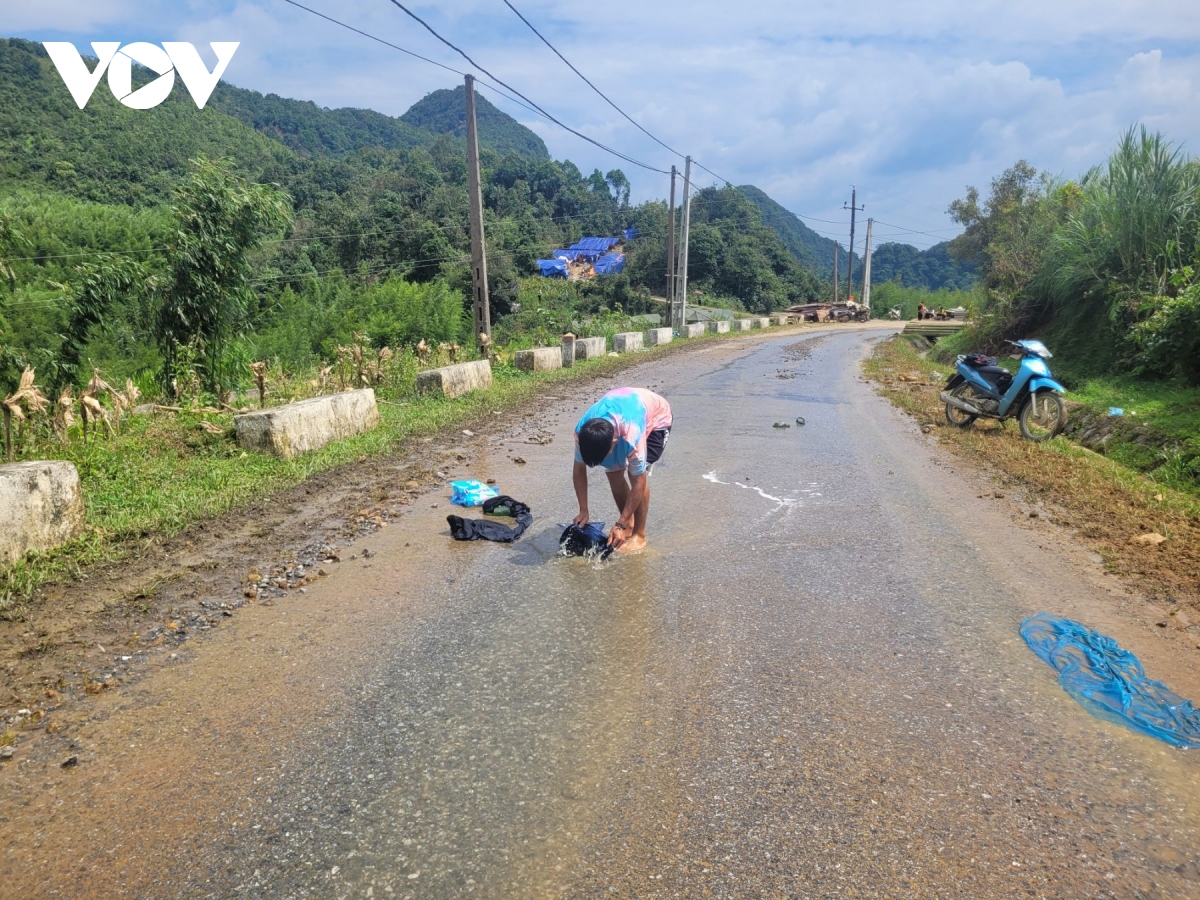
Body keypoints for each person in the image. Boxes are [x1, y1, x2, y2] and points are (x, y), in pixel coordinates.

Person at [572, 387, 672, 553]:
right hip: (621, 405)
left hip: (656, 418)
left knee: (637, 475)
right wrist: (583, 509)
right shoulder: (581, 432)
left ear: (614, 442)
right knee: (613, 473)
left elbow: (639, 484)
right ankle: (627, 526)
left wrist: (619, 523)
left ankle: (639, 535)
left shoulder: (632, 437)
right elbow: (579, 470)